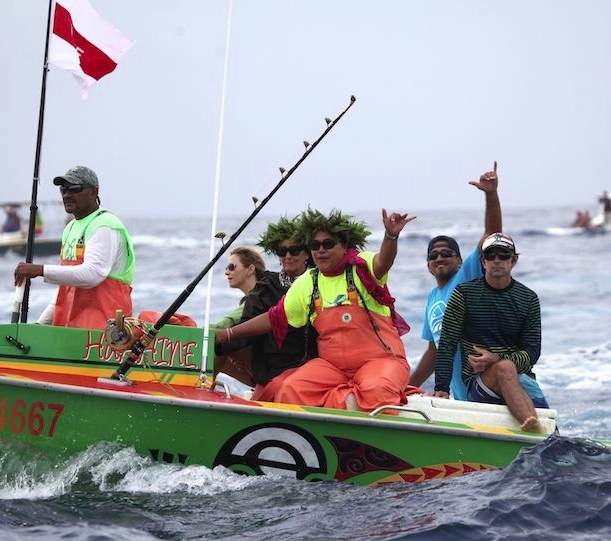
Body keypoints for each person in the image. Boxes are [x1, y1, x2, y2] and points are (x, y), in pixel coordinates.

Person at [215, 207, 415, 411]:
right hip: (332, 367)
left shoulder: (362, 266)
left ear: (344, 246)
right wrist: (228, 333)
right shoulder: (308, 281)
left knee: (378, 390)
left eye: (328, 244)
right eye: (315, 245)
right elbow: (275, 317)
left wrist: (391, 236)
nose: (321, 250)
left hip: (380, 361)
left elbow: (384, 261)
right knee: (289, 390)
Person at [432, 232, 548, 433]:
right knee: (504, 368)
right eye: (490, 256)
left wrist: (497, 358)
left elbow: (533, 351)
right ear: (483, 262)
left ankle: (540, 431)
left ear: (514, 260)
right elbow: (447, 343)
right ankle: (532, 426)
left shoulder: (528, 299)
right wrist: (441, 388)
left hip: (521, 380)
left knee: (553, 429)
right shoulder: (463, 294)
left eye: (503, 255)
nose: (496, 260)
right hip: (479, 384)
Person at [408, 161, 502, 399]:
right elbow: (434, 350)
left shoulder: (467, 276)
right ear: (428, 266)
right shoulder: (432, 297)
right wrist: (407, 386)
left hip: (485, 385)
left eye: (447, 253)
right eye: (433, 255)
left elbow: (491, 236)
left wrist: (491, 196)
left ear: (460, 261)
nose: (439, 257)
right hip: (462, 395)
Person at [14, 165, 135, 330]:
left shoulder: (104, 225)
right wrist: (39, 326)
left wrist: (40, 270)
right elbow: (65, 288)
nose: (67, 195)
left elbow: (93, 274)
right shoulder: (70, 228)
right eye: (63, 190)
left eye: (75, 189)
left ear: (94, 192)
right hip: (73, 331)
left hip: (105, 334)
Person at [226, 215, 317, 402]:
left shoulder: (320, 283)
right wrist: (223, 338)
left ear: (307, 253)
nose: (288, 256)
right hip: (272, 365)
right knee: (220, 345)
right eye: (282, 251)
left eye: (294, 250)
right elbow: (247, 323)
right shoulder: (266, 286)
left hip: (312, 365)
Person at [212, 246, 267, 385]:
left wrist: (189, 330)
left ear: (250, 269)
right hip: (262, 359)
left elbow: (223, 325)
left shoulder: (257, 299)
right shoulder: (259, 296)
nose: (226, 272)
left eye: (232, 267)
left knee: (221, 345)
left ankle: (201, 386)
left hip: (269, 363)